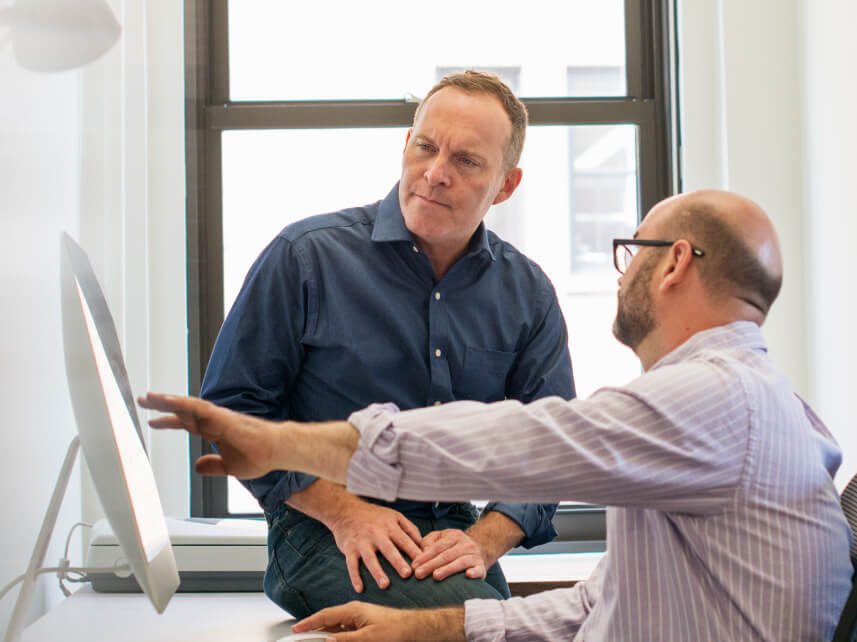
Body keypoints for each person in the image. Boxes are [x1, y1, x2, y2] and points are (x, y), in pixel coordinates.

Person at [141, 189, 854, 641]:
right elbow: (598, 602)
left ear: (671, 264)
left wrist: (282, 441)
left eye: (627, 254)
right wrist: (424, 629)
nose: (621, 274)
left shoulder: (715, 398)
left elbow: (531, 440)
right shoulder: (758, 401)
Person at [198, 70, 575, 618]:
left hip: (453, 531)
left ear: (507, 185)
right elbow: (230, 415)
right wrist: (348, 514)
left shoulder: (528, 293)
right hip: (320, 526)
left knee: (492, 615)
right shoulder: (305, 256)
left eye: (467, 161)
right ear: (406, 145)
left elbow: (550, 448)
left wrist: (487, 538)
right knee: (471, 617)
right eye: (426, 147)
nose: (436, 173)